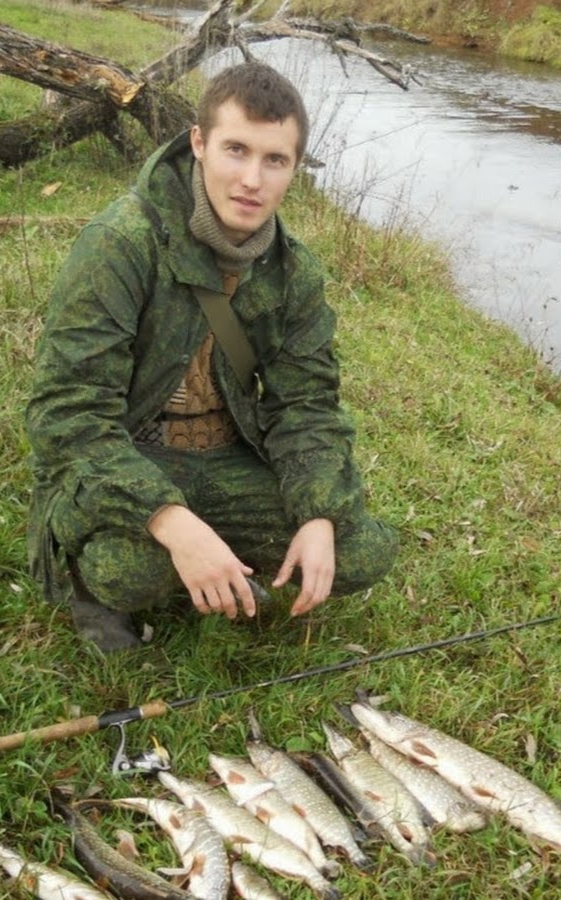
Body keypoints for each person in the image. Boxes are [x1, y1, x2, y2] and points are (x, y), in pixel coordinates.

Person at [25, 61, 398, 652]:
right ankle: (105, 586)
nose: (253, 179)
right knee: (127, 571)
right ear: (198, 143)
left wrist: (318, 513)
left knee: (361, 551)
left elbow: (306, 406)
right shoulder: (121, 243)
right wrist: (170, 520)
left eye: (275, 160)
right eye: (236, 150)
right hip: (131, 453)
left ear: (294, 168)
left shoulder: (294, 272)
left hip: (226, 455)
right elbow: (67, 416)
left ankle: (222, 563)